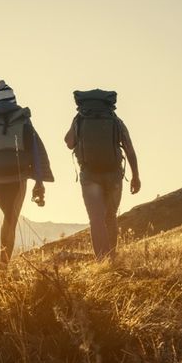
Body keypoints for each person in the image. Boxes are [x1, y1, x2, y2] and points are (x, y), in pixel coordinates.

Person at [0, 80, 54, 266]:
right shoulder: (22, 119)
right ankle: (3, 264)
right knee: (11, 218)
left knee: (8, 217)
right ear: (13, 99)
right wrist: (39, 180)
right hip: (18, 177)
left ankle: (3, 262)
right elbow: (35, 149)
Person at [64, 89, 140, 260]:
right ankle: (112, 258)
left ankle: (101, 260)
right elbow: (129, 149)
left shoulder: (80, 119)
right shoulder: (114, 120)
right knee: (110, 216)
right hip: (113, 174)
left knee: (96, 219)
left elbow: (69, 143)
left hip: (90, 175)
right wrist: (135, 176)